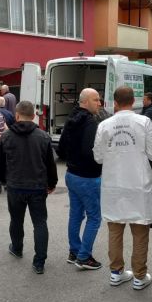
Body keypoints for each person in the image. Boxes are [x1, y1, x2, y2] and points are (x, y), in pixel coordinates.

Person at [93, 86, 152, 290]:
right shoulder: (144, 122)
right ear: (134, 101)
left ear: (115, 102)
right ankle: (140, 276)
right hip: (138, 184)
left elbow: (98, 157)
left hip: (114, 185)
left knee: (115, 231)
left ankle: (116, 273)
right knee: (140, 232)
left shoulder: (104, 125)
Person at [0, 101, 58, 274]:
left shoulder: (6, 137)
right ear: (33, 116)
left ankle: (17, 248)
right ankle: (39, 262)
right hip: (37, 187)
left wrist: (4, 181)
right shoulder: (43, 136)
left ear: (16, 115)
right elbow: (50, 165)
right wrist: (52, 183)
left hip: (15, 186)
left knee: (16, 220)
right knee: (40, 223)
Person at [57, 88, 103, 270]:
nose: (99, 103)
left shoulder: (71, 118)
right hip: (88, 177)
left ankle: (74, 251)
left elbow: (60, 148)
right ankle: (83, 257)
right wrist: (102, 160)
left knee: (76, 215)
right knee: (94, 218)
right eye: (96, 100)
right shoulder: (90, 122)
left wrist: (72, 159)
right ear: (85, 102)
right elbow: (89, 151)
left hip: (71, 174)